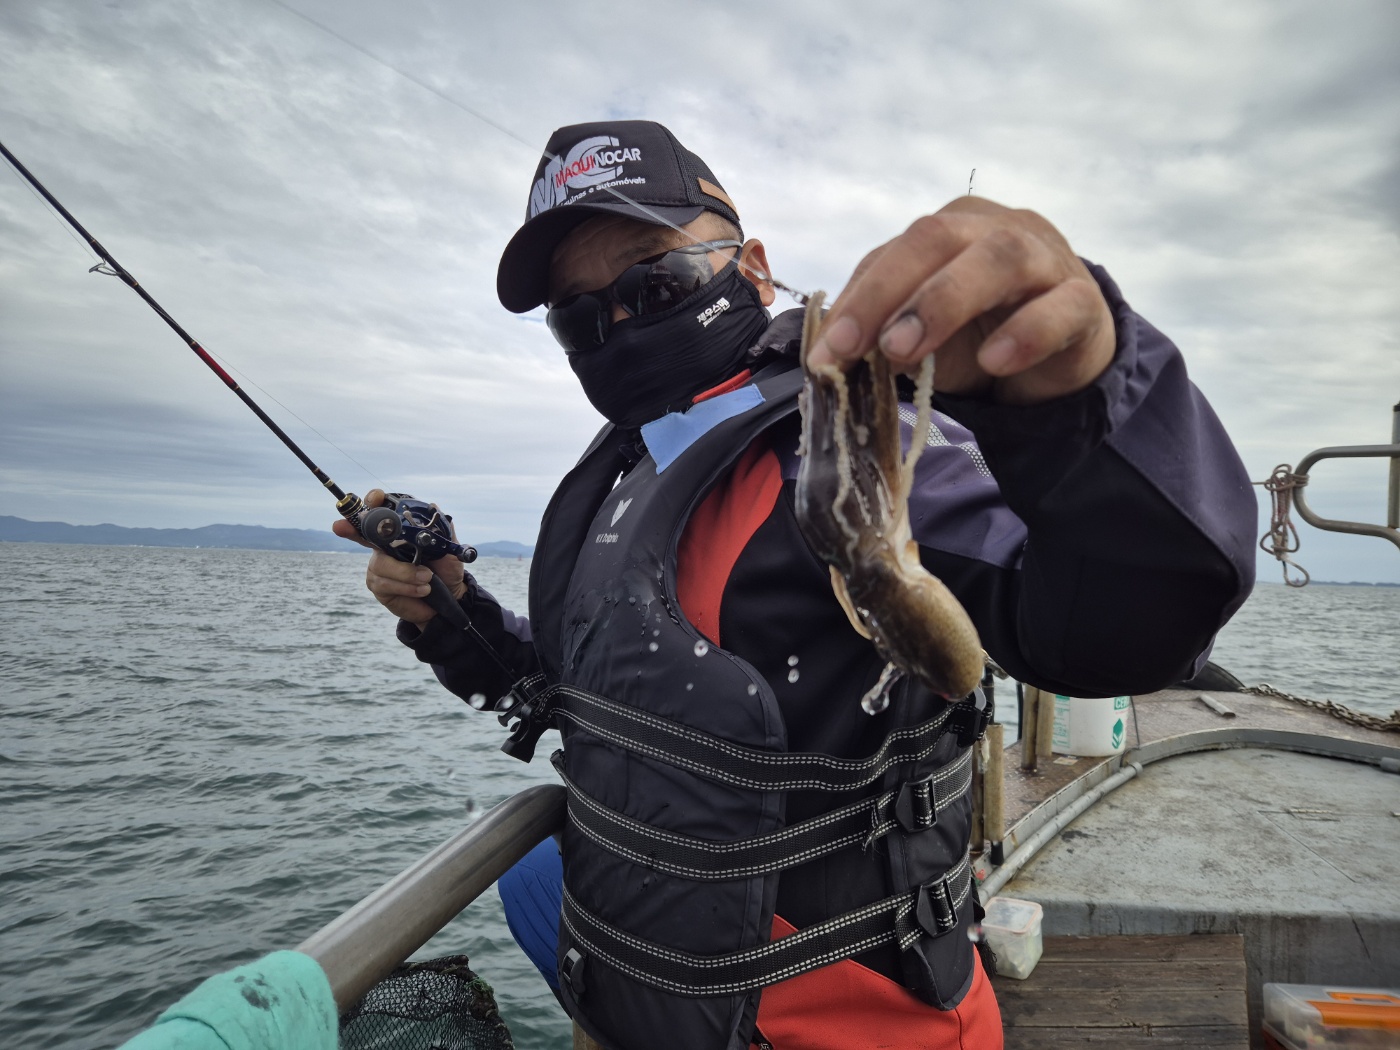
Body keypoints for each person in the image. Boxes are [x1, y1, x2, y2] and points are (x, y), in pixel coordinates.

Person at [334, 120, 1257, 1050]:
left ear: (755, 268)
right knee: (532, 878)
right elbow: (593, 696)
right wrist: (450, 609)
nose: (618, 327)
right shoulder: (634, 469)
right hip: (631, 1006)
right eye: (578, 317)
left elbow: (1120, 626)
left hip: (838, 1031)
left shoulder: (847, 442)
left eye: (654, 282)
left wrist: (1075, 405)